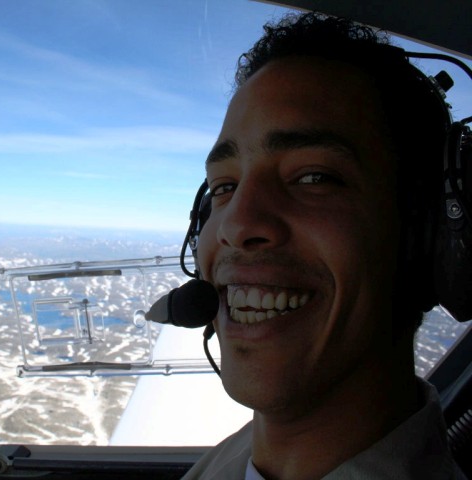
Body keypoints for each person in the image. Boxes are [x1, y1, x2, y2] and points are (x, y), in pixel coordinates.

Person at [182, 12, 466, 480]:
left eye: (314, 177)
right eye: (224, 187)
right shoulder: (230, 461)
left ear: (430, 234)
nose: (236, 224)